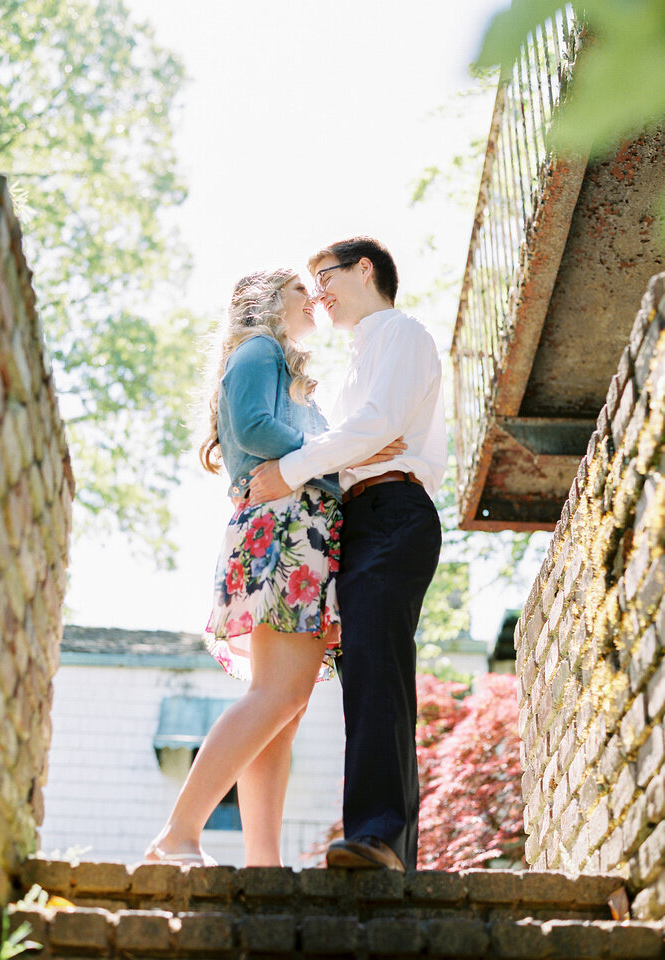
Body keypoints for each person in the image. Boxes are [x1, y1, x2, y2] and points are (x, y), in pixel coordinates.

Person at [144, 268, 403, 868]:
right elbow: (256, 429)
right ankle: (178, 834)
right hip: (284, 533)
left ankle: (263, 863)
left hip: (297, 535)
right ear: (264, 303)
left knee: (283, 710)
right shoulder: (259, 349)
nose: (311, 299)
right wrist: (341, 462)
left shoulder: (288, 373)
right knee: (277, 695)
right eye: (297, 290)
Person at [249, 237, 446, 872]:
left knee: (379, 673)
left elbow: (378, 423)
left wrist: (293, 468)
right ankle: (388, 847)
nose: (318, 293)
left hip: (394, 512)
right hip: (361, 520)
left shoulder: (401, 332)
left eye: (324, 275)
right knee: (367, 675)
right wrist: (352, 448)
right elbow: (361, 438)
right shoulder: (359, 359)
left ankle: (379, 836)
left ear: (366, 269)